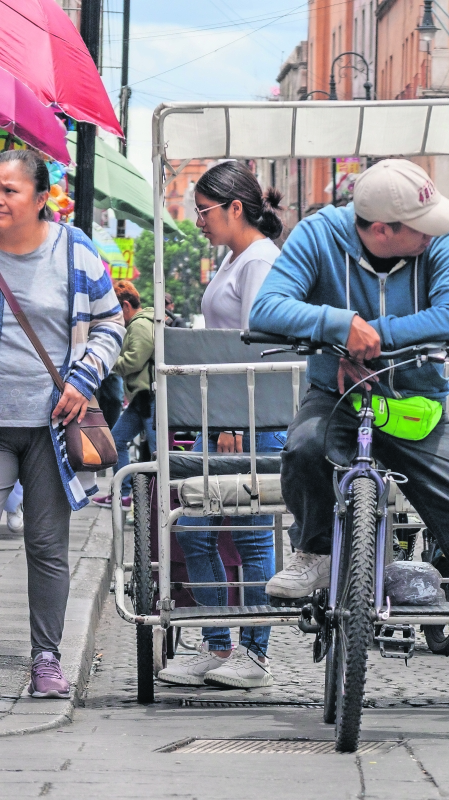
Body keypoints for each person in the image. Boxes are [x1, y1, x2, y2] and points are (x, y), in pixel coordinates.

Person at [250, 159, 449, 739]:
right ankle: (317, 551)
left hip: (418, 409)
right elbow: (267, 309)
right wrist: (339, 324)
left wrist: (373, 338)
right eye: (420, 224)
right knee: (302, 448)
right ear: (381, 229)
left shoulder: (441, 243)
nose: (435, 230)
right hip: (338, 398)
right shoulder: (320, 234)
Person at [0, 150, 125, 698]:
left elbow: (110, 322)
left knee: (47, 546)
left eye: (9, 190)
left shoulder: (75, 250)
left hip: (52, 424)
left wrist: (83, 379)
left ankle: (46, 660)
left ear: (42, 196)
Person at [158, 162, 286, 690]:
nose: (198, 222)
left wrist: (236, 419)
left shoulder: (258, 260)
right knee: (197, 527)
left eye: (204, 211)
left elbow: (255, 349)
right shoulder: (238, 259)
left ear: (236, 208)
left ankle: (254, 653)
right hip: (225, 415)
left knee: (251, 531)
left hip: (247, 416)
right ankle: (217, 645)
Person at [93, 280, 154, 509]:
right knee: (116, 440)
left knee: (158, 452)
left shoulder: (140, 325)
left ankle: (158, 501)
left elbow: (134, 360)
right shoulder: (141, 323)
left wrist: (109, 362)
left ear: (126, 306)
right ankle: (124, 494)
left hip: (151, 397)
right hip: (142, 399)